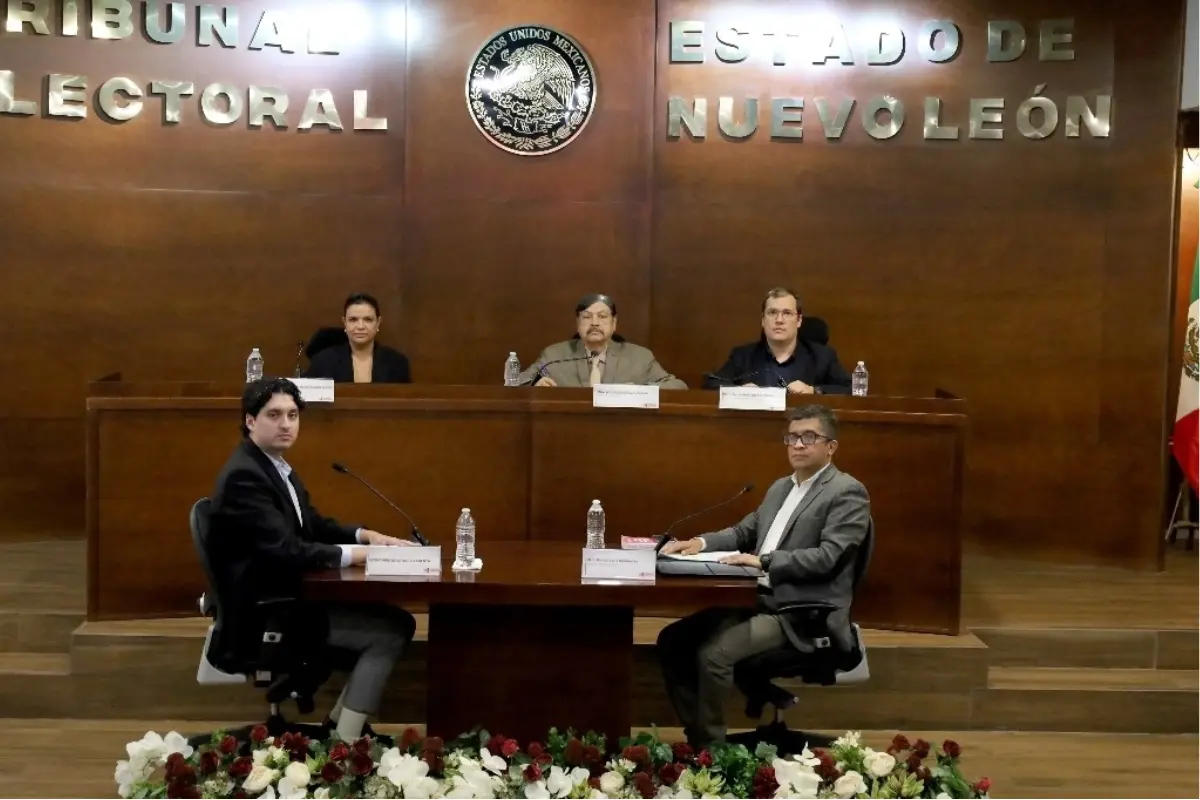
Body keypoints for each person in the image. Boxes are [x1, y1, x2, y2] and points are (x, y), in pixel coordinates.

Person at [207, 377, 418, 741]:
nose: (286, 423)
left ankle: (340, 728)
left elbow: (313, 525)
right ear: (250, 420)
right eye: (274, 414)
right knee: (388, 632)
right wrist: (359, 556)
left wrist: (365, 536)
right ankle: (346, 745)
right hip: (265, 614)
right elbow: (287, 550)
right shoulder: (246, 476)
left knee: (397, 622)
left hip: (285, 599)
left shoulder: (271, 465)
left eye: (292, 414)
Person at [656, 405, 870, 747]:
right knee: (673, 640)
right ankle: (699, 738)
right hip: (754, 599)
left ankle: (712, 755)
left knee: (715, 654)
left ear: (831, 446)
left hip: (799, 611)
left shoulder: (846, 492)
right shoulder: (781, 488)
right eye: (792, 437)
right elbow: (744, 532)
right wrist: (698, 542)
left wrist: (764, 562)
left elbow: (828, 558)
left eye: (809, 437)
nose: (798, 445)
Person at [516, 293, 687, 388]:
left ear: (614, 324)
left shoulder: (639, 357)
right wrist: (534, 384)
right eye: (587, 317)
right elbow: (515, 384)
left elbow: (677, 386)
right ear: (578, 324)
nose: (595, 323)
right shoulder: (554, 355)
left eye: (603, 317)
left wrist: (641, 393)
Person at [702, 287, 851, 394]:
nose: (779, 320)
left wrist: (814, 390)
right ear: (763, 320)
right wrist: (740, 391)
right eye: (772, 313)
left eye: (787, 313)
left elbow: (852, 389)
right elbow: (711, 383)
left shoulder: (822, 356)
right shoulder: (742, 355)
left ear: (798, 320)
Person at [305, 293, 411, 383]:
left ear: (378, 323)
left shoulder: (397, 362)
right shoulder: (323, 361)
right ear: (345, 323)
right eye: (353, 320)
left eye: (368, 320)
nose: (360, 326)